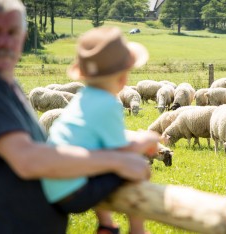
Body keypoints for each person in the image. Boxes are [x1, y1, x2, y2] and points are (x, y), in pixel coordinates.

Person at [0, 1, 158, 233]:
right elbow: (26, 160)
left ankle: (107, 224)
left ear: (23, 36)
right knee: (137, 169)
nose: (4, 42)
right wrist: (118, 160)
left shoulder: (7, 85)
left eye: (12, 32)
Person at [41, 26, 155, 234]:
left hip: (52, 187)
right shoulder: (109, 104)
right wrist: (146, 141)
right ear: (122, 77)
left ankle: (106, 225)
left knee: (102, 162)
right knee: (139, 167)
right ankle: (138, 229)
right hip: (75, 192)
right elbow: (123, 153)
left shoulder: (82, 98)